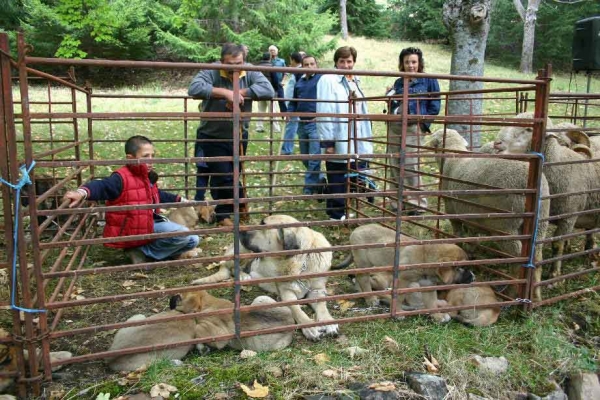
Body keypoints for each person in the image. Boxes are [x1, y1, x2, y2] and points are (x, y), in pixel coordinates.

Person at [63, 135, 200, 264]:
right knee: (182, 234)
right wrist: (81, 193)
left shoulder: (146, 176)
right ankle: (143, 251)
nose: (151, 160)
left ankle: (146, 253)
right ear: (130, 158)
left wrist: (181, 200)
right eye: (146, 156)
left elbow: (156, 194)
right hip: (131, 227)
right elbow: (101, 186)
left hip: (146, 221)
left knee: (193, 240)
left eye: (153, 155)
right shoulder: (120, 178)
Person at [188, 43, 275, 227]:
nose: (235, 69)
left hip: (239, 134)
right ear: (221, 61)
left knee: (234, 172)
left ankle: (238, 203)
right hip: (212, 134)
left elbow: (268, 90)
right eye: (230, 64)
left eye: (239, 63)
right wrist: (224, 93)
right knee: (223, 175)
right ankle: (223, 215)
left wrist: (239, 93)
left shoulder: (250, 71)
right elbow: (194, 88)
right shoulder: (212, 71)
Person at [316, 46, 373, 221]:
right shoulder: (328, 80)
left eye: (349, 61)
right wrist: (328, 142)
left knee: (350, 172)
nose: (346, 65)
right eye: (342, 61)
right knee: (337, 172)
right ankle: (336, 213)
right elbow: (324, 111)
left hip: (356, 134)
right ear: (336, 62)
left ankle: (343, 208)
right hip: (339, 134)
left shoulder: (355, 80)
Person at [387, 46, 440, 214]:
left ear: (419, 63)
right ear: (402, 64)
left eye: (414, 62)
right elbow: (395, 103)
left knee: (410, 164)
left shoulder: (428, 80)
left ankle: (417, 204)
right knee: (394, 163)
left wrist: (423, 125)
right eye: (407, 62)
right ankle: (397, 203)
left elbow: (435, 105)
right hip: (394, 126)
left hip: (412, 126)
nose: (410, 65)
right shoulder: (399, 81)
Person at [288, 55, 326, 195]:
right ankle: (320, 178)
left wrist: (320, 115)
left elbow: (327, 99)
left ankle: (309, 187)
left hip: (315, 123)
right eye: (306, 64)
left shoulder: (322, 79)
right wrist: (290, 112)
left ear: (316, 65)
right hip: (302, 123)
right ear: (302, 66)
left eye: (312, 64)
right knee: (305, 156)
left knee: (314, 156)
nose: (309, 67)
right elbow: (293, 100)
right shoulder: (300, 81)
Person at [280, 51, 305, 155]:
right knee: (294, 125)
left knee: (291, 125)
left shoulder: (299, 73)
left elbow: (296, 89)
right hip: (292, 103)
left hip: (294, 104)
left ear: (293, 60)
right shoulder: (295, 71)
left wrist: (292, 104)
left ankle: (287, 149)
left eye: (290, 59)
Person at [255, 52, 282, 133]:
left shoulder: (257, 67)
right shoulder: (271, 67)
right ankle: (276, 128)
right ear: (269, 58)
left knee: (260, 109)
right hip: (269, 91)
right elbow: (275, 80)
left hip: (259, 91)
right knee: (272, 110)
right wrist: (276, 89)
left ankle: (259, 127)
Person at [268, 44, 288, 116]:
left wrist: (283, 81)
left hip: (279, 83)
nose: (272, 52)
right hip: (269, 84)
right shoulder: (267, 61)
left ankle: (284, 115)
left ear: (277, 52)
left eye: (273, 50)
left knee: (281, 99)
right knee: (270, 101)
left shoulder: (281, 61)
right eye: (270, 51)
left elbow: (286, 73)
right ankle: (272, 116)